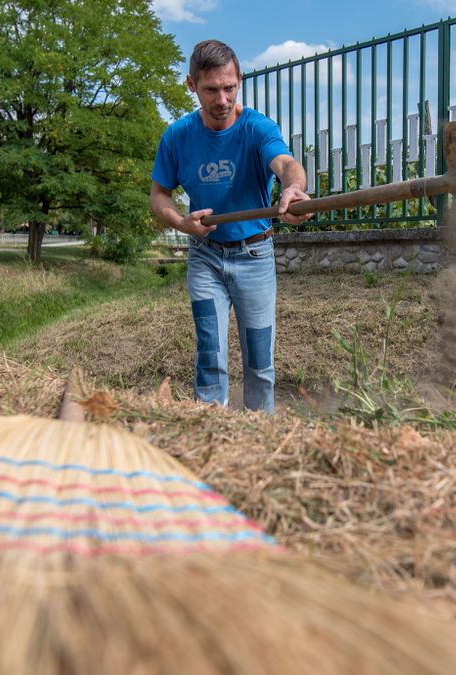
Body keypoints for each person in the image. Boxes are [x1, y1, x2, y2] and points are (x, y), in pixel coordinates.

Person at [149, 39, 311, 413]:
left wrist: (294, 188)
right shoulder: (176, 136)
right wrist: (181, 222)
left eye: (229, 87)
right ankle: (210, 428)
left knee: (260, 360)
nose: (221, 99)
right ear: (192, 85)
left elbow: (286, 164)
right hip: (205, 257)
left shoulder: (257, 127)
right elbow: (159, 196)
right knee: (210, 353)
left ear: (239, 79)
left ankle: (260, 435)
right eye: (210, 89)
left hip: (254, 256)